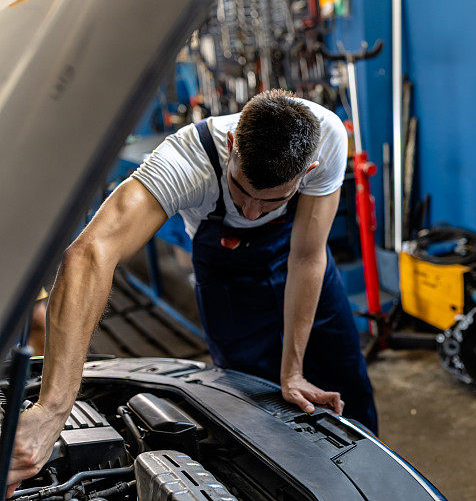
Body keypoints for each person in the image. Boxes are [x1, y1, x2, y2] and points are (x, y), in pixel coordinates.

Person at [7, 90, 377, 495]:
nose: (252, 212)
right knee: (248, 409)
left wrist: (293, 372)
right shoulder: (187, 159)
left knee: (347, 388)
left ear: (309, 170)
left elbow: (305, 258)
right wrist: (51, 410)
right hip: (226, 276)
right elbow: (88, 255)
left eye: (272, 200)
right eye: (241, 190)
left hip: (306, 264)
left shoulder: (328, 138)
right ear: (233, 144)